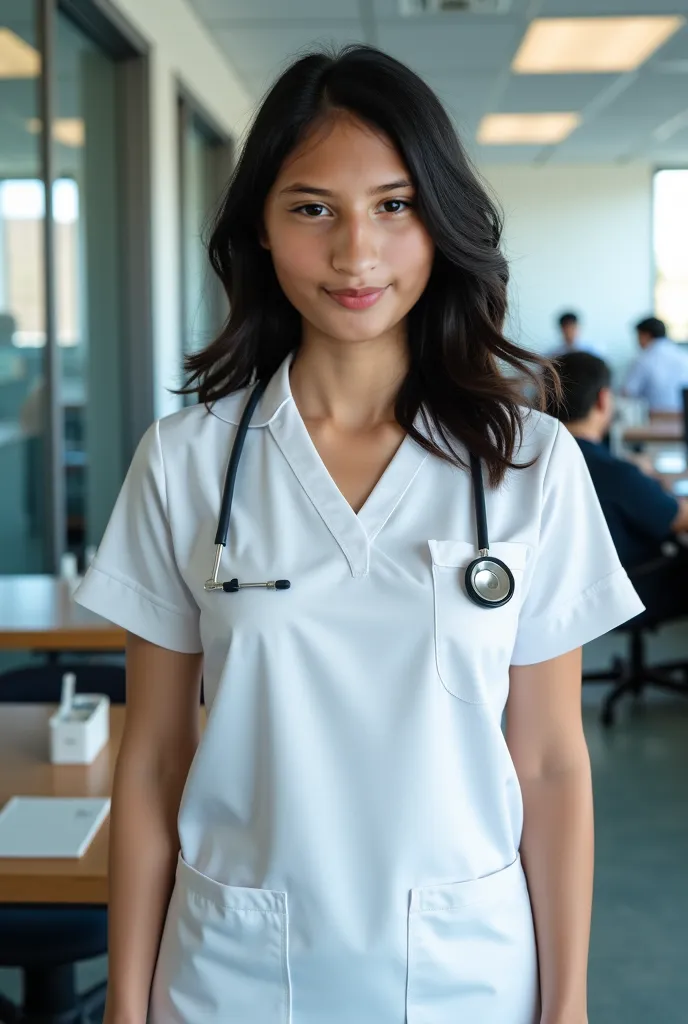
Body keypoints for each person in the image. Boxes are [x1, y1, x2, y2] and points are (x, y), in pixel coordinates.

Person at [75, 46, 642, 1024]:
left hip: (469, 975)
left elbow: (550, 758)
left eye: (394, 204)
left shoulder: (530, 463)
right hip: (231, 976)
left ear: (442, 221)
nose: (355, 253)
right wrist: (126, 1005)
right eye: (311, 208)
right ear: (259, 225)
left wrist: (568, 1003)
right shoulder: (185, 460)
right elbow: (155, 754)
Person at [548, 351, 688, 622]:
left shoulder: (546, 459)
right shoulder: (614, 474)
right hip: (630, 588)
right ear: (603, 399)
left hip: (570, 591)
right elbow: (680, 519)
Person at [623, 316, 688, 414]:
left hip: (654, 419)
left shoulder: (643, 359)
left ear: (646, 335)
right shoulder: (683, 356)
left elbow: (627, 393)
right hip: (683, 418)